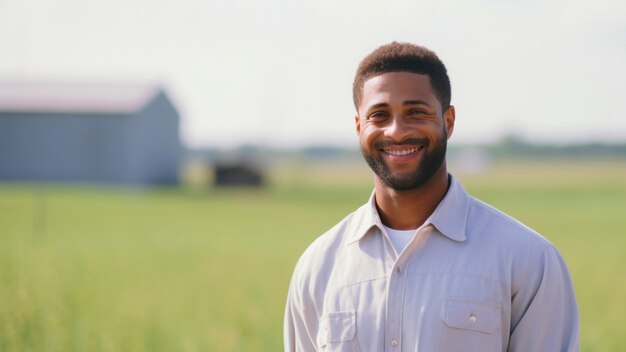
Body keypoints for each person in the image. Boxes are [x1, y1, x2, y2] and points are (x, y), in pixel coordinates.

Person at [283, 42, 579, 351]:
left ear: (448, 122)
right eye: (379, 115)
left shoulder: (528, 260)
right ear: (359, 126)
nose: (396, 131)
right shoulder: (317, 267)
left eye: (416, 112)